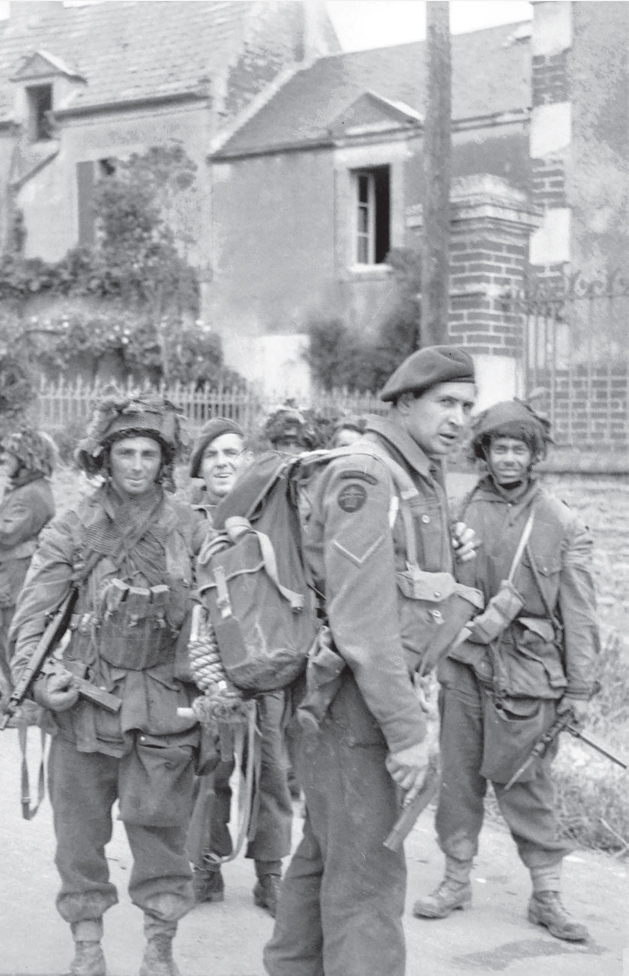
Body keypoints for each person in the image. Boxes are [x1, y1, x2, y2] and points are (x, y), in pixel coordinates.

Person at [263, 345, 478, 976]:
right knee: (369, 882)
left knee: (329, 855)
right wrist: (407, 734)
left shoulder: (417, 473)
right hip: (356, 706)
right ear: (405, 403)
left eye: (467, 406)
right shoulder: (371, 476)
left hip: (358, 702)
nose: (459, 419)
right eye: (446, 403)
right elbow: (363, 627)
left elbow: (410, 593)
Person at [10, 393, 200, 976]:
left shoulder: (191, 528)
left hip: (164, 708)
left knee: (163, 839)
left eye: (148, 453)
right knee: (79, 843)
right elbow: (32, 616)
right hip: (84, 707)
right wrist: (38, 680)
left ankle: (158, 948)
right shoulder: (74, 526)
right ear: (105, 457)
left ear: (163, 461)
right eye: (125, 452)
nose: (137, 465)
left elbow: (224, 619)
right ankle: (87, 947)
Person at [412, 399, 600, 942]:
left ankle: (547, 896)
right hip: (465, 665)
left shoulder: (561, 522)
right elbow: (430, 589)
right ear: (485, 453)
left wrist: (580, 688)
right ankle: (454, 880)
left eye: (520, 448)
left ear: (534, 455)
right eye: (500, 448)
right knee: (458, 780)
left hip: (530, 674)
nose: (509, 458)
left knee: (528, 786)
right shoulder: (459, 511)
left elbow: (581, 614)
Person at [187, 418, 294, 917]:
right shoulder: (186, 522)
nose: (224, 463)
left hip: (263, 663)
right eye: (213, 455)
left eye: (232, 453)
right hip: (208, 670)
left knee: (270, 769)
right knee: (209, 770)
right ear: (199, 467)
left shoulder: (269, 516)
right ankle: (206, 867)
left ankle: (269, 873)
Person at [0, 426, 56, 705]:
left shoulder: (31, 494)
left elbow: (8, 533)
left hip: (17, 578)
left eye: (8, 455)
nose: (3, 460)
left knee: (13, 637)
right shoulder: (25, 489)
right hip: (12, 575)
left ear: (26, 458)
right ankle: (16, 697)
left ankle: (22, 702)